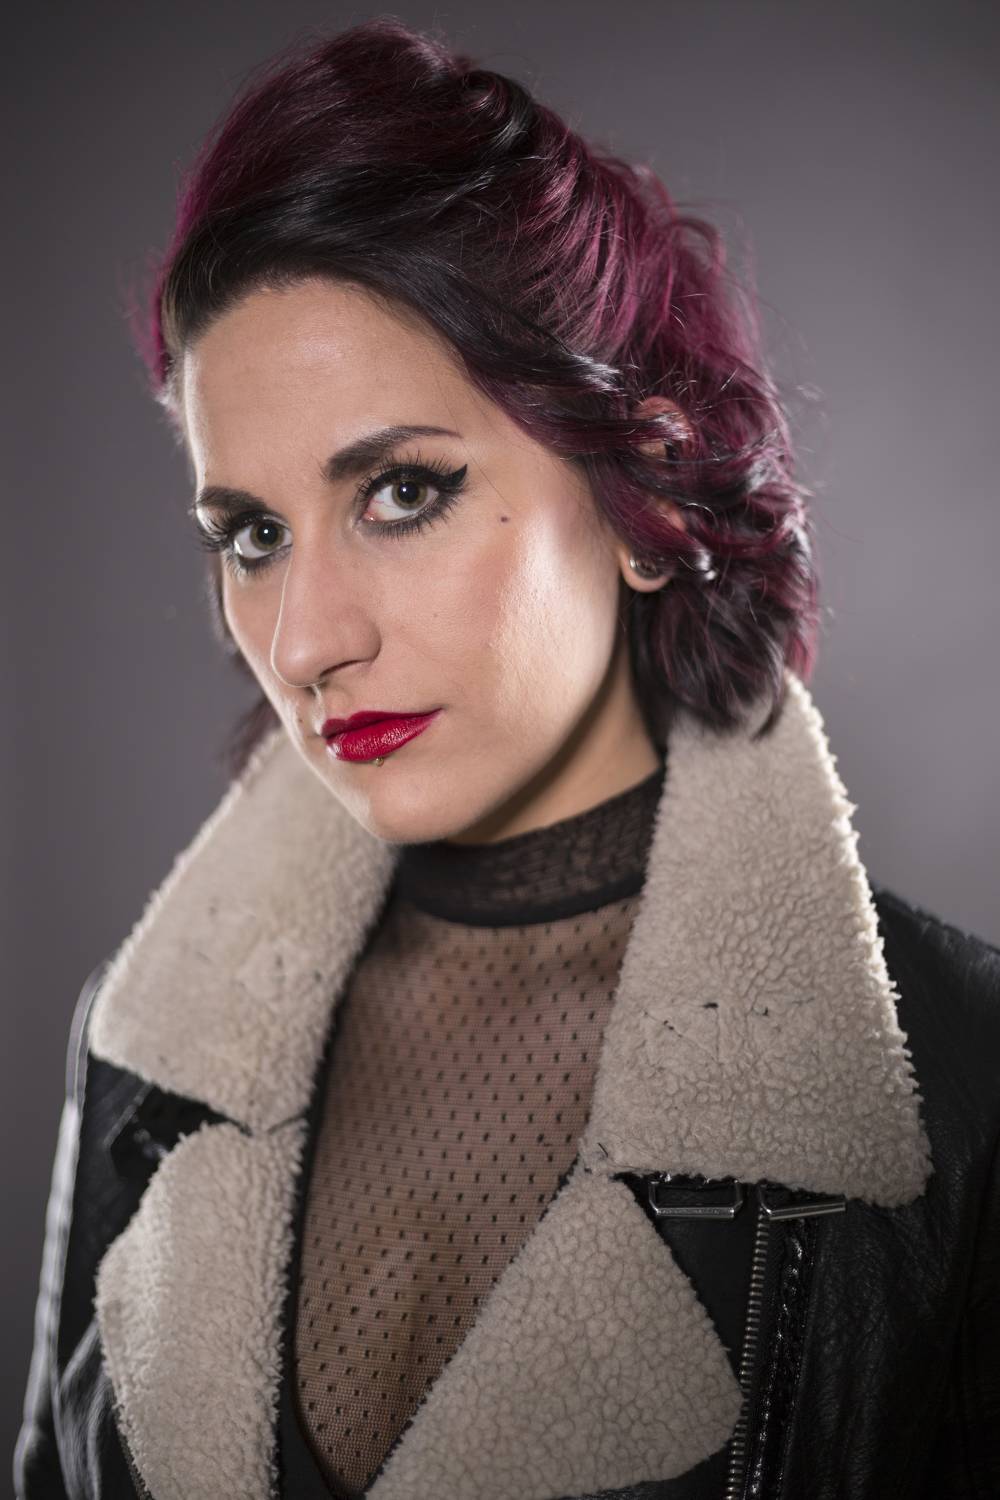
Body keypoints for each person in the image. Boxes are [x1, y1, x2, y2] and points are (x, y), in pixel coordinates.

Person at [14, 17, 1000, 1500]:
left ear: (645, 491)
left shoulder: (964, 1089)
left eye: (403, 491)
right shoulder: (143, 1049)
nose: (305, 639)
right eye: (253, 534)